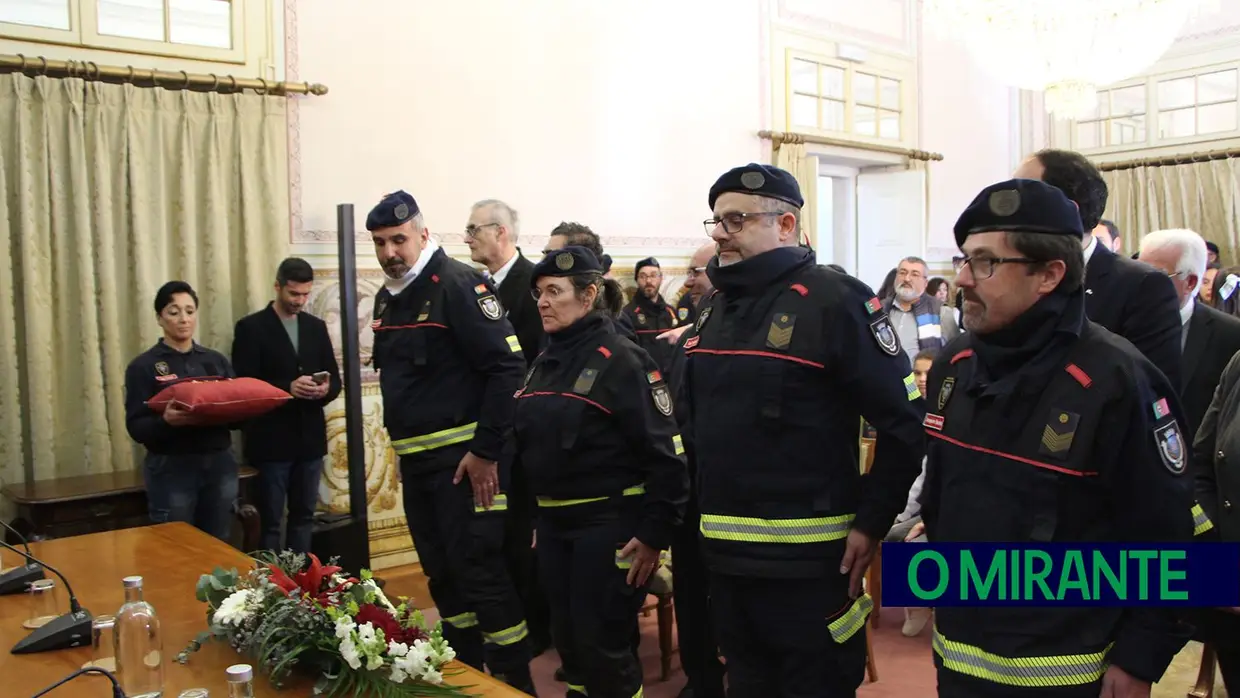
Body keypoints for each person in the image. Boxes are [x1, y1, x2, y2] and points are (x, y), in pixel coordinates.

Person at [920, 178, 1195, 697]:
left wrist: (1141, 658)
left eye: (985, 262)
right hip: (959, 654)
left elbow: (1172, 535)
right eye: (962, 260)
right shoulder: (953, 366)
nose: (962, 279)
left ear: (1049, 274)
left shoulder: (1118, 379)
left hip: (1068, 669)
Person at [679, 163, 926, 697]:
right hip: (723, 558)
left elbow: (904, 424)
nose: (721, 232)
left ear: (786, 225)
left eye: (737, 219)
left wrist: (873, 521)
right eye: (717, 220)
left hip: (810, 561)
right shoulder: (713, 308)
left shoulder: (838, 302)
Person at [366, 190, 535, 693]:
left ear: (423, 235)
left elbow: (508, 369)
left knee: (481, 574)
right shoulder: (388, 297)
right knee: (442, 576)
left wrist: (485, 452)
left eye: (398, 239)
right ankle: (467, 676)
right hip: (419, 468)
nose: (390, 251)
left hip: (466, 468)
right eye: (379, 243)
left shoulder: (459, 286)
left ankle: (516, 683)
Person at [513, 246, 689, 698]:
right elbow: (536, 447)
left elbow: (667, 457)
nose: (543, 302)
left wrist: (655, 534)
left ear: (589, 295)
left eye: (554, 291)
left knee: (603, 646)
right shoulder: (546, 358)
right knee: (570, 642)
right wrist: (540, 518)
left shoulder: (623, 360)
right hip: (555, 527)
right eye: (538, 293)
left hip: (608, 526)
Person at [1014, 149, 1182, 389]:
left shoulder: (1142, 286)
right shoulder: (1009, 274)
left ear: (1066, 210)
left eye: (1023, 193)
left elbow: (1151, 391)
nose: (1009, 205)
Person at [465, 198, 552, 654]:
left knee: (523, 537)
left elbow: (538, 360)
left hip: (527, 434)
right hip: (491, 432)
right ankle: (509, 620)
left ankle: (536, 629)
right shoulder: (476, 286)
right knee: (493, 538)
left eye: (473, 229)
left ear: (500, 232)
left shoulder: (533, 284)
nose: (467, 237)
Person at [124, 281, 241, 541]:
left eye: (189, 311)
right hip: (172, 468)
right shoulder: (143, 366)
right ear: (159, 318)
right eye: (174, 312)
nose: (183, 319)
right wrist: (165, 421)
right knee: (176, 544)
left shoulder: (215, 361)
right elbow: (136, 426)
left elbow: (236, 411)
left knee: (219, 542)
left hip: (219, 464)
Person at [622, 256, 683, 372]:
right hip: (643, 381)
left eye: (653, 275)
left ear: (661, 278)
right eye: (643, 276)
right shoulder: (627, 315)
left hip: (671, 380)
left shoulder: (671, 313)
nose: (649, 281)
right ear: (636, 280)